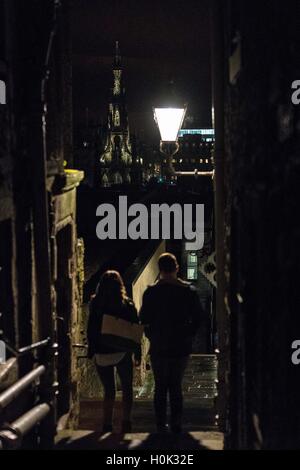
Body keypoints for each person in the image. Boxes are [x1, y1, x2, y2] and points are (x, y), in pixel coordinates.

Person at [140, 252, 203, 434]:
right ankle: (176, 423)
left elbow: (144, 318)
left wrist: (151, 334)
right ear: (176, 268)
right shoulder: (188, 292)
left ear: (159, 270)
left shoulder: (151, 292)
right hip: (180, 345)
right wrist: (188, 334)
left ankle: (160, 424)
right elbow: (198, 318)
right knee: (175, 385)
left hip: (159, 344)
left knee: (160, 386)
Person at [87, 270, 141, 433]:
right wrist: (136, 352)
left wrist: (92, 350)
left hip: (102, 353)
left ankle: (107, 424)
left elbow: (91, 329)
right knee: (127, 388)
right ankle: (126, 421)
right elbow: (134, 331)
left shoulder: (95, 304)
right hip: (122, 352)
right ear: (120, 286)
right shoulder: (127, 305)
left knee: (109, 390)